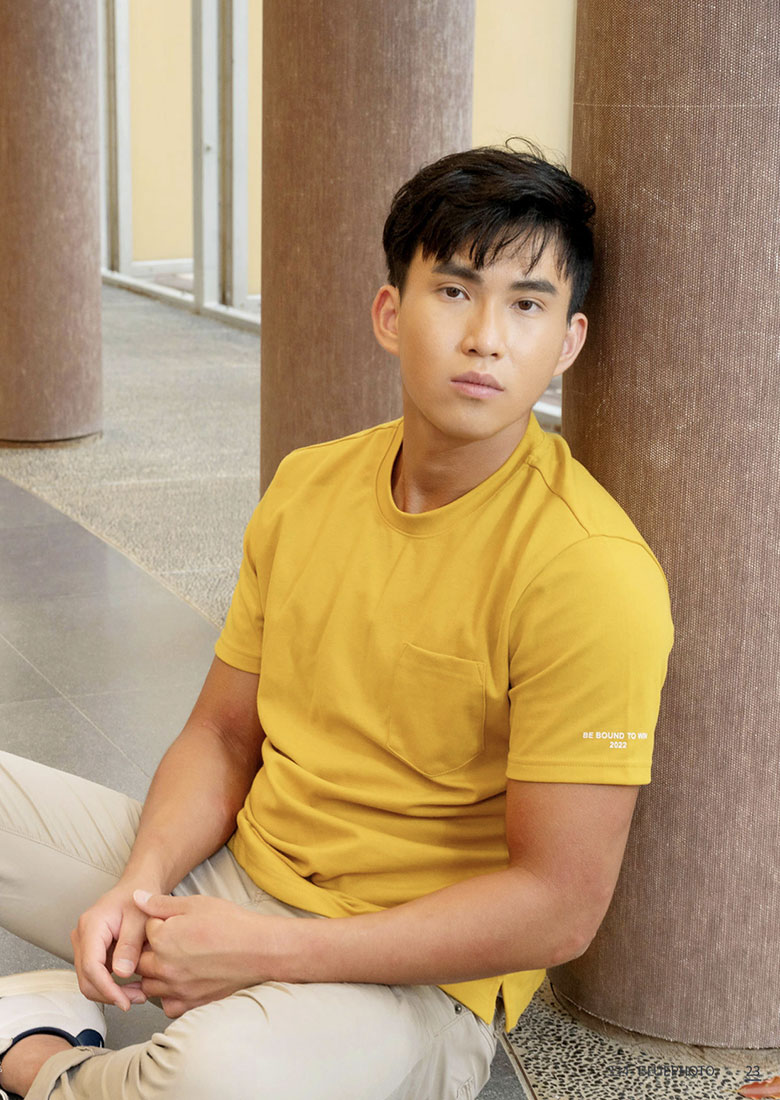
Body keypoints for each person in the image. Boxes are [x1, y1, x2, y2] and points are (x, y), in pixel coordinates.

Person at [0, 143, 673, 1100]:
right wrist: (137, 884)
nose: (487, 337)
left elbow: (558, 906)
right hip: (237, 875)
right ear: (391, 314)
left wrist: (265, 954)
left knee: (213, 1080)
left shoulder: (590, 570)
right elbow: (222, 735)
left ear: (567, 343)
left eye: (527, 305)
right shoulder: (309, 485)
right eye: (455, 291)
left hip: (411, 984)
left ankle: (37, 1055)